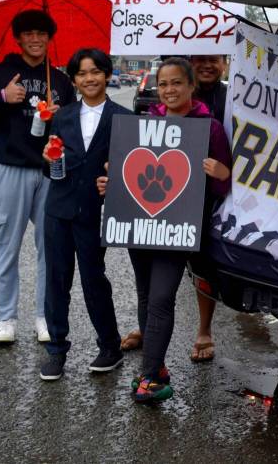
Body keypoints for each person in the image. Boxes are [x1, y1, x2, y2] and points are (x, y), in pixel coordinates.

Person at [98, 57, 232, 403]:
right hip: (140, 225)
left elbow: (223, 188)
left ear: (191, 87)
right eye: (164, 83)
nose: (170, 90)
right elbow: (127, 176)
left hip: (179, 228)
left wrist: (222, 174)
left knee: (161, 297)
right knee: (146, 296)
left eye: (177, 83)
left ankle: (149, 377)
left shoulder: (210, 127)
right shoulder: (143, 124)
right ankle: (155, 369)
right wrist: (112, 182)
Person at [0, 9, 75, 345]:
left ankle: (44, 316)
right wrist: (1, 97)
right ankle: (5, 319)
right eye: (29, 33)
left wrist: (59, 116)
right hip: (10, 169)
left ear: (50, 38)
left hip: (50, 172)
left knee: (49, 248)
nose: (36, 39)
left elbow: (73, 130)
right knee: (7, 246)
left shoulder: (61, 81)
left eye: (42, 33)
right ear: (18, 38)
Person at [38, 48, 130, 381]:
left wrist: (115, 181)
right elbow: (50, 169)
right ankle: (57, 349)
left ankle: (110, 346)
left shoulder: (124, 118)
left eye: (95, 71)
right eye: (81, 73)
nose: (89, 78)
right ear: (73, 79)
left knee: (94, 280)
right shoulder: (61, 117)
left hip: (94, 211)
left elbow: (133, 173)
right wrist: (49, 161)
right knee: (56, 280)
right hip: (58, 210)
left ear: (107, 74)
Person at [187, 53, 229, 362]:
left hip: (219, 196)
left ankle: (204, 329)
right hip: (173, 194)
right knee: (156, 268)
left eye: (212, 59)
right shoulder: (176, 94)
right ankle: (146, 328)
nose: (206, 65)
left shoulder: (237, 97)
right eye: (198, 59)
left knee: (205, 267)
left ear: (225, 62)